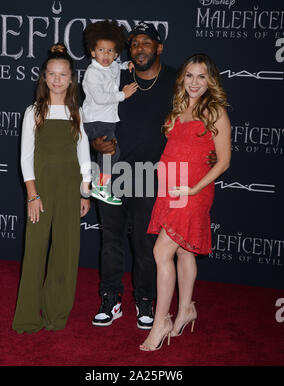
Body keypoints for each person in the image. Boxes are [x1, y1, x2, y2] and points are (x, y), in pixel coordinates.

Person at [91, 23, 216, 329]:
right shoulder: (115, 76)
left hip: (152, 175)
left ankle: (144, 301)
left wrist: (209, 149)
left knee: (147, 244)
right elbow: (89, 107)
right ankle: (111, 298)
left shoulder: (176, 80)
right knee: (110, 241)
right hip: (110, 169)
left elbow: (201, 114)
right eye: (134, 44)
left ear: (159, 48)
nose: (139, 49)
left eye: (146, 43)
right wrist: (93, 140)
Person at [139, 53, 231, 351]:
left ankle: (161, 320)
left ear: (210, 80)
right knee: (184, 252)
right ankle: (186, 309)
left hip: (193, 193)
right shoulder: (177, 110)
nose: (194, 82)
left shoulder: (215, 111)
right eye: (189, 76)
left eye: (201, 76)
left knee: (161, 251)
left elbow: (224, 163)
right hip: (170, 189)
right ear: (182, 79)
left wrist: (192, 189)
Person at [12, 43, 91, 334]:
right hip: (41, 193)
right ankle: (28, 317)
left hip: (71, 192)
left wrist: (85, 192)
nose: (57, 79)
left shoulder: (76, 112)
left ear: (71, 79)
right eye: (52, 74)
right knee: (34, 252)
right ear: (44, 78)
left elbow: (84, 155)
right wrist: (32, 196)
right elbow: (25, 158)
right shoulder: (33, 112)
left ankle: (57, 314)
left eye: (63, 74)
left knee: (66, 254)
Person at [82, 20, 137, 205]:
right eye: (101, 50)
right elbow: (99, 97)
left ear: (116, 53)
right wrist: (123, 94)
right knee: (111, 153)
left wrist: (127, 64)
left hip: (106, 120)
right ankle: (99, 188)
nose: (105, 55)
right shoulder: (92, 73)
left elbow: (117, 67)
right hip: (96, 120)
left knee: (110, 153)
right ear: (92, 51)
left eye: (110, 51)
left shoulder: (112, 65)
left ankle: (99, 187)